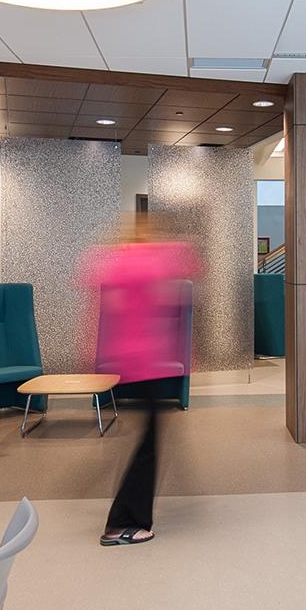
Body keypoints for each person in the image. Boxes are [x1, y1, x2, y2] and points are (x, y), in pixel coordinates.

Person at [81, 214, 199, 547]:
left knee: (148, 442)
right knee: (147, 446)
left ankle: (126, 518)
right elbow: (187, 261)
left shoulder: (119, 262)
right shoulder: (143, 262)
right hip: (142, 362)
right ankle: (121, 524)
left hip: (132, 362)